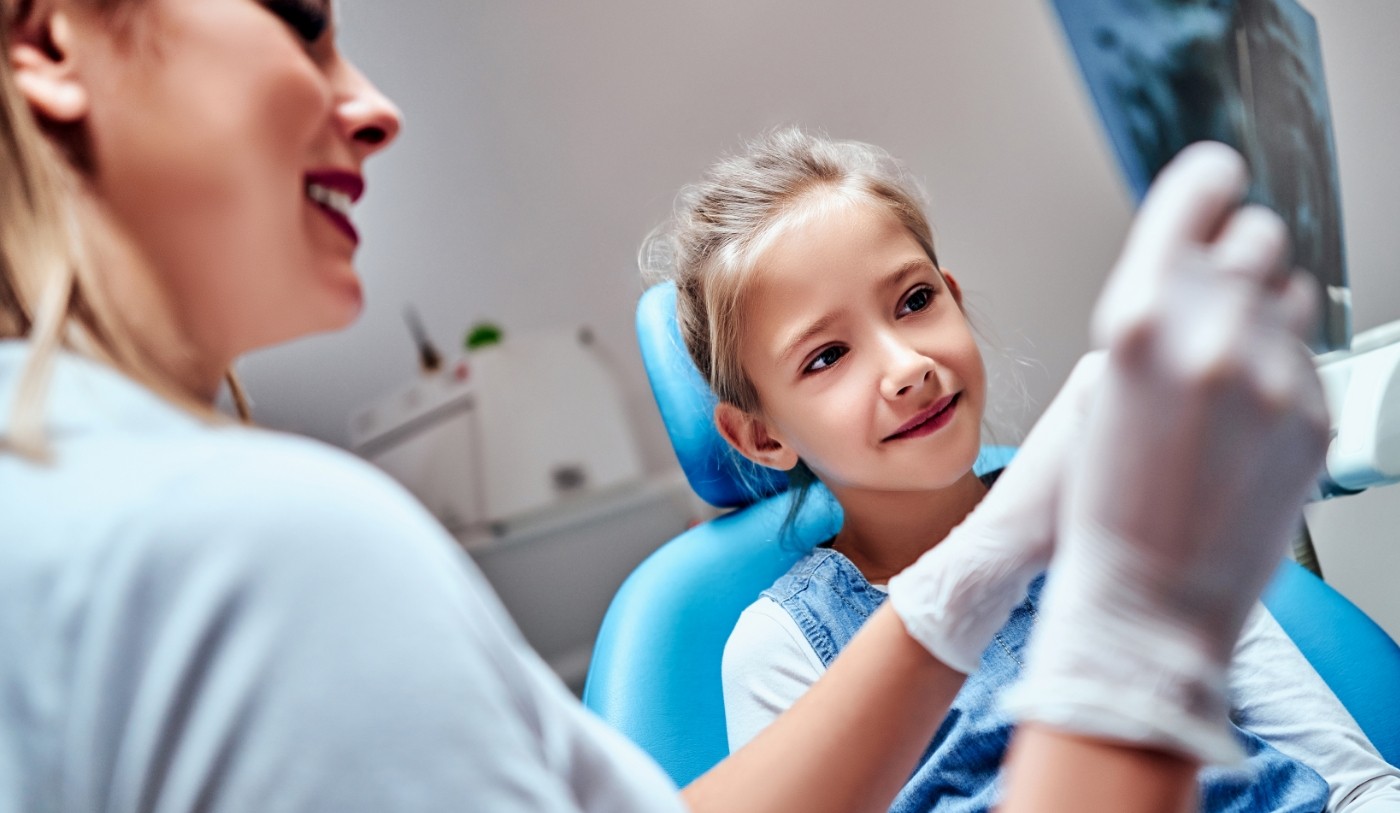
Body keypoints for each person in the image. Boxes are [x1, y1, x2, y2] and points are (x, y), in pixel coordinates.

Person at [0, 1, 1348, 811]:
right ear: (50, 38)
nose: (375, 110)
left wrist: (1012, 559)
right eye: (299, 15)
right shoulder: (254, 549)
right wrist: (1138, 620)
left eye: (917, 299)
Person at [643, 128, 1400, 811]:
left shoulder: (1122, 518)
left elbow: (1350, 781)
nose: (907, 365)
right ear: (759, 434)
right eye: (827, 356)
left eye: (914, 300)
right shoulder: (787, 645)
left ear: (956, 300)